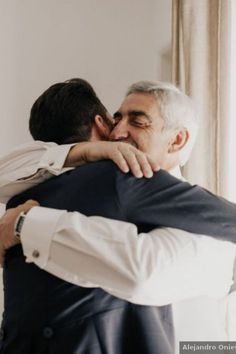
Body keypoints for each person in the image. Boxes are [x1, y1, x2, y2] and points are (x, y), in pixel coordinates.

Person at [0, 78, 235, 353]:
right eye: (117, 119)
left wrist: (25, 224)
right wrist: (85, 151)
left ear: (177, 139)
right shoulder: (102, 182)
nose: (119, 132)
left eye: (137, 121)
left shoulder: (211, 229)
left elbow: (144, 272)